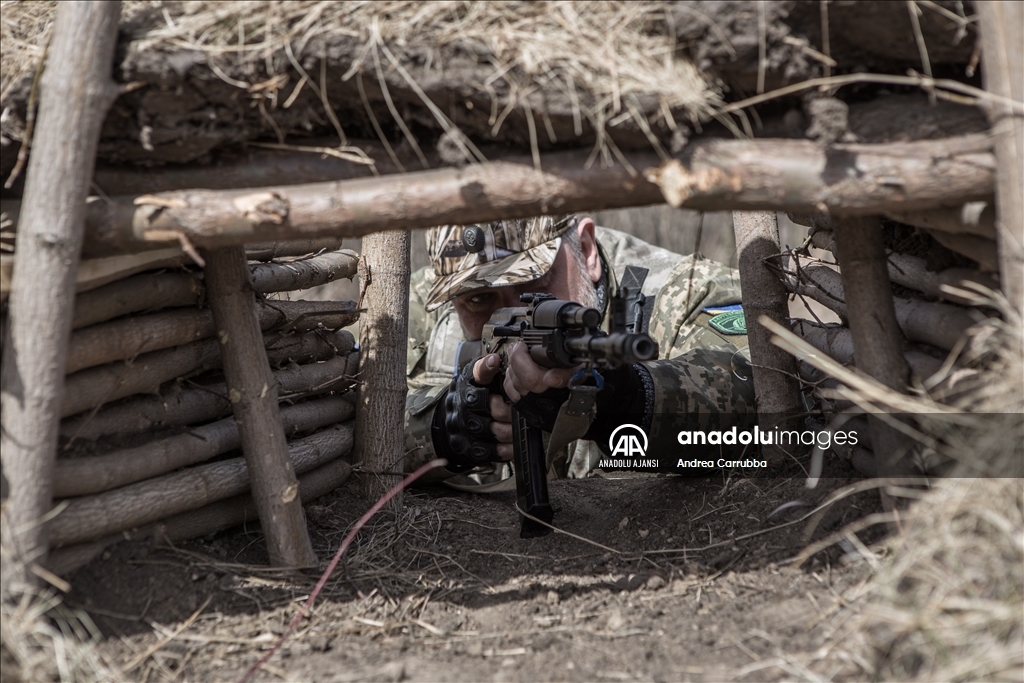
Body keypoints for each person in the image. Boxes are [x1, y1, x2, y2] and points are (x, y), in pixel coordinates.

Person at [404, 214, 755, 488]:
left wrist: (629, 402)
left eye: (532, 284)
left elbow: (757, 390)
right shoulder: (417, 309)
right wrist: (438, 429)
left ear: (585, 249)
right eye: (479, 298)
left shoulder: (685, 291)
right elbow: (365, 419)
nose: (513, 313)